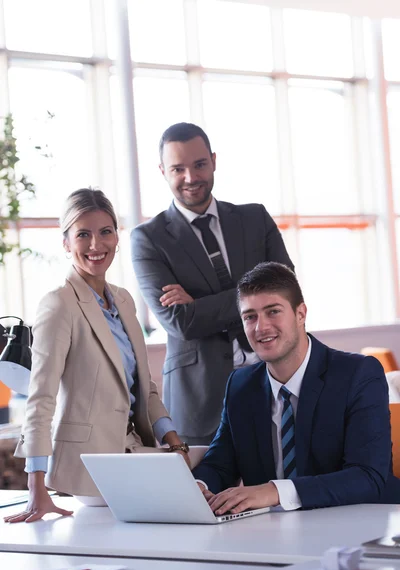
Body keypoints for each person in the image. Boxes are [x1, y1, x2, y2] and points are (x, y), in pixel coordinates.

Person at [4, 188, 189, 524]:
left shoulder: (123, 300)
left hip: (132, 450)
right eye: (83, 235)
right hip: (89, 466)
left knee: (206, 469)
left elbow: (143, 386)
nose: (95, 245)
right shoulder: (59, 303)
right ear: (65, 243)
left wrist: (173, 440)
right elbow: (41, 396)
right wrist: (37, 485)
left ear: (117, 236)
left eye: (105, 232)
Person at [131, 122, 294, 445]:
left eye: (200, 164)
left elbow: (286, 288)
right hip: (199, 399)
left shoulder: (255, 218)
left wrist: (200, 303)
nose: (191, 177)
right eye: (178, 168)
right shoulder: (148, 239)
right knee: (207, 493)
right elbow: (182, 322)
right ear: (163, 171)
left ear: (214, 161)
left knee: (282, 487)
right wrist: (257, 295)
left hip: (275, 380)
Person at [192, 262, 400, 512]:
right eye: (250, 316)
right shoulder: (240, 385)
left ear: (301, 314)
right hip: (273, 532)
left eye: (273, 312)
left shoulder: (358, 374)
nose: (261, 327)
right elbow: (220, 464)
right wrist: (198, 486)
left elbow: (368, 476)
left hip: (361, 524)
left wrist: (275, 491)